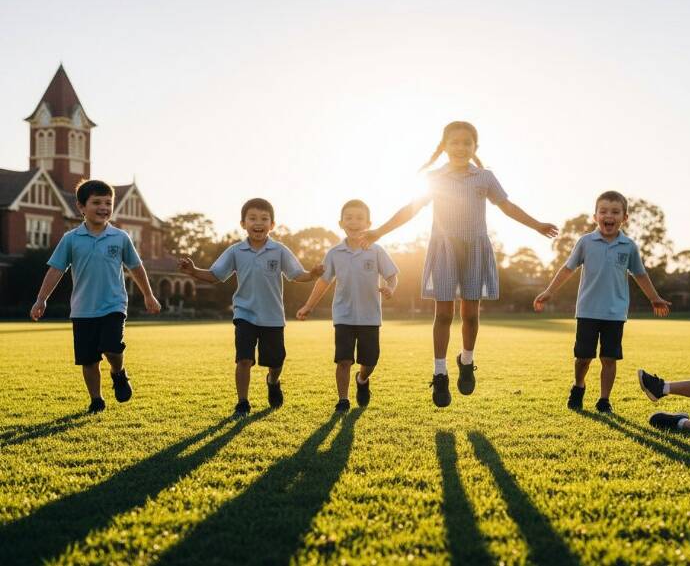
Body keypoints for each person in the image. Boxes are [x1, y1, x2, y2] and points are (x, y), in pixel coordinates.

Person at [360, 121, 558, 407]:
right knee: (443, 315)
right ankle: (440, 374)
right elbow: (410, 209)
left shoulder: (485, 177)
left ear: (474, 147)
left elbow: (508, 206)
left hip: (475, 249)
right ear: (445, 146)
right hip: (445, 250)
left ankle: (466, 361)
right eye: (454, 142)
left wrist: (536, 225)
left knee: (471, 316)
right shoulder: (435, 178)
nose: (461, 147)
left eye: (467, 142)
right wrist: (379, 231)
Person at [179, 198, 322, 418]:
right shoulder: (236, 251)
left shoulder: (279, 250)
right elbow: (216, 275)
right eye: (252, 218)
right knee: (244, 359)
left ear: (272, 225)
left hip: (273, 316)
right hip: (244, 314)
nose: (258, 223)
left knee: (275, 362)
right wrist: (193, 270)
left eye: (264, 219)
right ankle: (242, 403)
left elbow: (296, 274)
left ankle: (273, 382)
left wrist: (312, 275)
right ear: (243, 223)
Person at [30, 179, 162, 413]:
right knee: (89, 360)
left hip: (113, 305)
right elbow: (56, 270)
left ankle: (118, 373)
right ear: (81, 207)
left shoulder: (120, 237)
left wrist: (148, 295)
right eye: (97, 202)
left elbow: (136, 267)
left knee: (112, 347)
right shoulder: (71, 238)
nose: (104, 207)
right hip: (82, 309)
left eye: (108, 203)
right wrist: (41, 299)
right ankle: (96, 400)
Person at [534, 190, 671, 413]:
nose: (609, 215)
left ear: (624, 217)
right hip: (587, 310)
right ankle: (579, 386)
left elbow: (640, 274)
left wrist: (654, 298)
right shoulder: (585, 242)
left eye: (615, 212)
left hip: (615, 313)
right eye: (604, 211)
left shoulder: (629, 246)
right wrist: (549, 291)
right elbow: (568, 268)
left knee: (609, 358)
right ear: (595, 216)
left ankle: (604, 399)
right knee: (583, 357)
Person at [297, 199, 399, 412]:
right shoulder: (335, 253)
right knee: (343, 360)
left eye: (360, 218)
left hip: (370, 317)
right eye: (349, 218)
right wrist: (309, 306)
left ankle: (362, 380)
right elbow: (323, 281)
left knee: (370, 362)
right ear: (341, 223)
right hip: (343, 316)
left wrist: (390, 288)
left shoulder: (376, 250)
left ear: (369, 223)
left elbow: (392, 276)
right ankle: (343, 400)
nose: (354, 222)